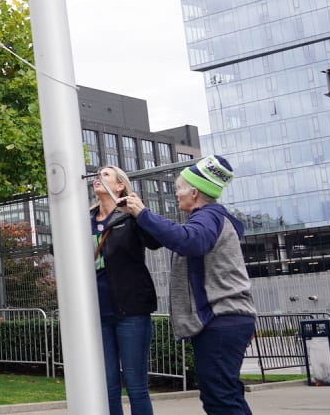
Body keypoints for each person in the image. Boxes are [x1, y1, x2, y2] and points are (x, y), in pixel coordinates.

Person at [122, 155, 257, 415]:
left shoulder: (208, 218)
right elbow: (180, 237)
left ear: (194, 192)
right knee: (224, 395)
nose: (176, 195)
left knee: (220, 399)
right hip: (226, 320)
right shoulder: (212, 219)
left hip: (220, 320)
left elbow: (189, 240)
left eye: (178, 189)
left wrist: (143, 213)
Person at [91, 165, 160, 415]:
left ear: (120, 185)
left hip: (130, 311)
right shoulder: (83, 221)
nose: (98, 177)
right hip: (98, 315)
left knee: (135, 385)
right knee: (107, 386)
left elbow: (155, 242)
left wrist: (140, 213)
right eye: (97, 174)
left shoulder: (129, 217)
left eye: (106, 174)